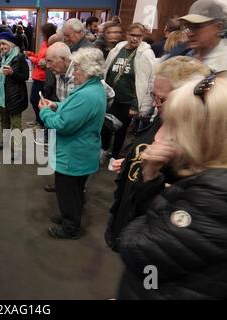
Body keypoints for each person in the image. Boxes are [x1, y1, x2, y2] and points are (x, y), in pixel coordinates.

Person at [117, 71, 227, 299]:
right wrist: (150, 175)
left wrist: (151, 217)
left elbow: (139, 250)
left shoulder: (216, 193)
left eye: (178, 125)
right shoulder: (208, 180)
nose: (170, 134)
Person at [104, 56, 211, 253]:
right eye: (154, 96)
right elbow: (144, 146)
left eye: (161, 99)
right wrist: (130, 161)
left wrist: (153, 176)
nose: (154, 104)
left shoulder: (197, 147)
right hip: (127, 214)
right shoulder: (163, 118)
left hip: (152, 238)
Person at [38, 47, 106, 239]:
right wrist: (56, 105)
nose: (73, 72)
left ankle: (70, 226)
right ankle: (69, 215)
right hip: (81, 151)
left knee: (68, 191)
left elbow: (62, 125)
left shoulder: (87, 95)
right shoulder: (93, 89)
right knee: (74, 191)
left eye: (76, 68)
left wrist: (45, 112)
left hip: (73, 154)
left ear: (88, 70)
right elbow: (72, 110)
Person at [101, 23, 155, 162]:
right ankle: (103, 150)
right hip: (111, 97)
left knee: (121, 129)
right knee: (105, 125)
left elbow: (146, 81)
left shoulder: (146, 54)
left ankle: (114, 156)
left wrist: (136, 105)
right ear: (127, 34)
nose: (135, 39)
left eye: (139, 36)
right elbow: (106, 70)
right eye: (132, 35)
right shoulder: (118, 49)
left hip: (127, 101)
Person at [0, 32, 29, 158]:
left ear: (10, 44)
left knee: (16, 124)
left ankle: (17, 150)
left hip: (15, 97)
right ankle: (5, 142)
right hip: (2, 96)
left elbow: (25, 77)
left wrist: (12, 73)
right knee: (4, 122)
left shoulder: (19, 57)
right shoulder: (2, 57)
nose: (1, 47)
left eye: (3, 44)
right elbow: (1, 74)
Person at [178, 0, 227, 71]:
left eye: (197, 27)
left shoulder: (224, 62)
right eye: (187, 27)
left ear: (218, 27)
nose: (189, 34)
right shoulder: (183, 55)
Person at [25, 23, 57, 128]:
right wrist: (31, 54)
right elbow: (39, 57)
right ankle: (38, 120)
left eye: (43, 33)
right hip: (37, 76)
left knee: (38, 100)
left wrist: (32, 59)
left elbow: (43, 63)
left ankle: (41, 123)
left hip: (43, 78)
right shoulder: (44, 43)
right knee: (34, 100)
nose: (41, 34)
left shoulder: (51, 45)